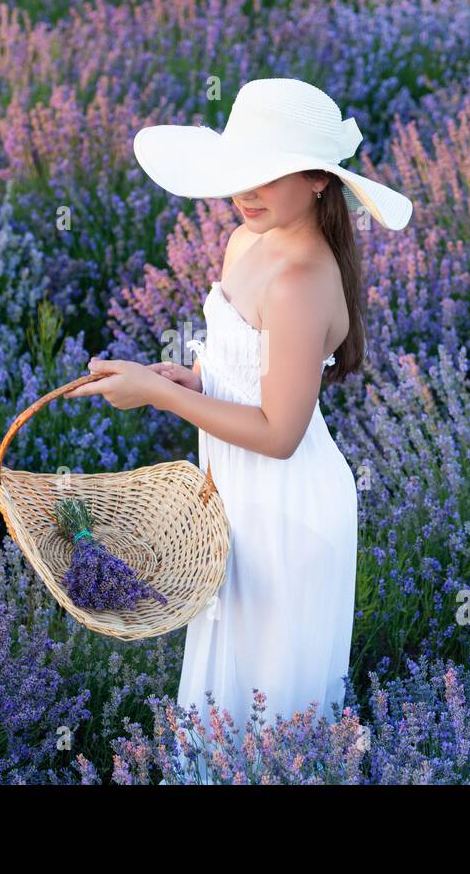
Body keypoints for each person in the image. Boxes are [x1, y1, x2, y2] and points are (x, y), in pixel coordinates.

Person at [66, 78, 412, 782]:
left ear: (319, 180)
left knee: (270, 709)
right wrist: (188, 379)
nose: (242, 193)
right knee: (227, 703)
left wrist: (158, 400)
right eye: (236, 174)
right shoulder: (244, 243)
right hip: (236, 500)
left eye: (264, 174)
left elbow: (280, 431)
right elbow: (241, 369)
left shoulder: (300, 280)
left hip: (288, 514)